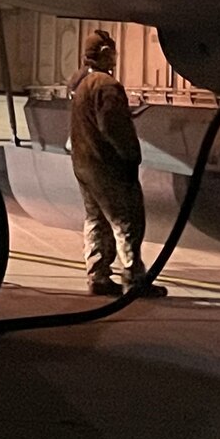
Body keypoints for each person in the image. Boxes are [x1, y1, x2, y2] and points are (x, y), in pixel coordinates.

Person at [70, 28, 166, 297]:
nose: (116, 56)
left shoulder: (80, 83)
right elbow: (113, 127)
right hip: (107, 166)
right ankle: (134, 278)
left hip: (84, 164)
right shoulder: (106, 86)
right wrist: (131, 155)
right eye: (113, 51)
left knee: (96, 219)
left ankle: (98, 276)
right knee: (127, 221)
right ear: (104, 54)